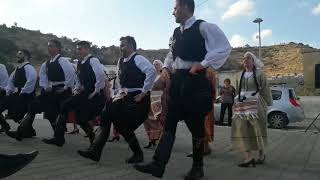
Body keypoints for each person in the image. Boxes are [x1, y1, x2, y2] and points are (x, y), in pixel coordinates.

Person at [133, 0, 231, 179]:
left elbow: (224, 47)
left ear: (186, 7)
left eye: (175, 8)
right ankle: (158, 164)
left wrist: (202, 64)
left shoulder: (203, 27)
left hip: (194, 83)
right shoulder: (176, 32)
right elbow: (172, 54)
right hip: (177, 81)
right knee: (169, 123)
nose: (173, 12)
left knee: (196, 127)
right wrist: (164, 68)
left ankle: (197, 168)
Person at [77, 36, 156, 164]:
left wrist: (144, 92)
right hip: (125, 97)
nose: (120, 48)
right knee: (110, 118)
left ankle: (134, 153)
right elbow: (120, 81)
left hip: (138, 99)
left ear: (131, 46)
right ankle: (97, 151)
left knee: (119, 123)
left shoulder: (138, 58)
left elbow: (151, 71)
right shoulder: (121, 61)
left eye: (123, 45)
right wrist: (117, 94)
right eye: (120, 45)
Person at [6, 40, 76, 141]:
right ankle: (21, 132)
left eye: (51, 46)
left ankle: (59, 137)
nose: (49, 48)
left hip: (63, 91)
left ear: (57, 48)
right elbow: (42, 76)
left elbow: (71, 74)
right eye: (48, 46)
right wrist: (45, 86)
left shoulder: (63, 60)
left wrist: (65, 87)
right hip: (51, 91)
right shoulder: (46, 63)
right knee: (34, 106)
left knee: (59, 112)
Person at [42, 41, 106, 147]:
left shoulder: (93, 60)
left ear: (87, 49)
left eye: (80, 49)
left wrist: (96, 90)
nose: (78, 51)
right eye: (77, 49)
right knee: (77, 115)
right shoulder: (79, 62)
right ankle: (90, 139)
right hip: (84, 93)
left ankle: (60, 138)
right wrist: (76, 89)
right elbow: (78, 79)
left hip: (93, 94)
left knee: (70, 109)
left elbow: (100, 76)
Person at [231, 52, 272, 167]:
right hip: (242, 106)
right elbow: (238, 90)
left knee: (257, 129)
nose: (246, 60)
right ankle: (248, 156)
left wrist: (267, 105)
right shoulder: (240, 75)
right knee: (241, 128)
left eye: (248, 58)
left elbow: (265, 90)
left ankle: (261, 154)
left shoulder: (260, 74)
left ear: (253, 60)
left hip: (256, 106)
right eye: (244, 58)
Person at [0, 50, 37, 135]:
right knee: (13, 113)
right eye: (17, 54)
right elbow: (11, 80)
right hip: (17, 93)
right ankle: (29, 130)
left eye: (20, 54)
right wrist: (9, 90)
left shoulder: (28, 67)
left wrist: (24, 91)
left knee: (17, 114)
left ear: (26, 56)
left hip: (27, 94)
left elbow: (32, 79)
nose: (18, 55)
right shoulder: (17, 68)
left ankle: (28, 131)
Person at [187, 67, 216, 157]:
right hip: (194, 101)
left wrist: (211, 100)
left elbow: (212, 88)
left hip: (205, 101)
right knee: (196, 125)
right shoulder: (193, 69)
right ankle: (201, 149)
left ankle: (204, 148)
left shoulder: (210, 72)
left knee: (205, 125)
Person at [143, 60, 164, 149]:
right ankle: (150, 139)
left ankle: (155, 138)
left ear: (161, 66)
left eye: (157, 64)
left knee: (157, 119)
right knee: (147, 119)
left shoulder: (163, 76)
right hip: (149, 98)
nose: (155, 66)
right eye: (154, 64)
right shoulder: (150, 75)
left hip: (159, 99)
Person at [0, 63, 9, 133]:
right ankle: (5, 125)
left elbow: (5, 81)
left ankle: (5, 125)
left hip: (2, 90)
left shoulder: (1, 67)